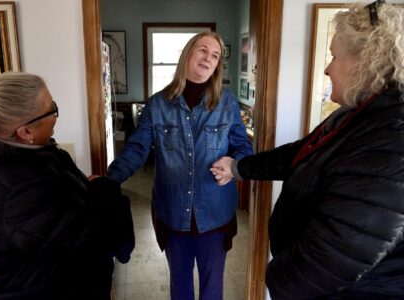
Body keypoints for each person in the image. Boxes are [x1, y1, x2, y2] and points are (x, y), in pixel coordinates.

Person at [211, 2, 404, 299]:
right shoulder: (357, 113)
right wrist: (238, 168)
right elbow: (298, 154)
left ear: (366, 62)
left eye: (334, 57)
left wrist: (275, 279)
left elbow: (336, 254)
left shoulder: (390, 136)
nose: (327, 68)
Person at [107, 31, 253, 299]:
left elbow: (244, 148)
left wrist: (235, 164)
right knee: (180, 288)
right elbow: (137, 149)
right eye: (203, 50)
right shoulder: (157, 105)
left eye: (215, 55)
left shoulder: (227, 103)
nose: (208, 58)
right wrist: (108, 182)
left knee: (212, 290)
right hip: (173, 214)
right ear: (187, 53)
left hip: (216, 215)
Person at [0, 71, 134, 300]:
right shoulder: (21, 191)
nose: (56, 115)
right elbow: (91, 239)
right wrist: (104, 190)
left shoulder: (18, 152)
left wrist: (82, 188)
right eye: (51, 110)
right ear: (25, 132)